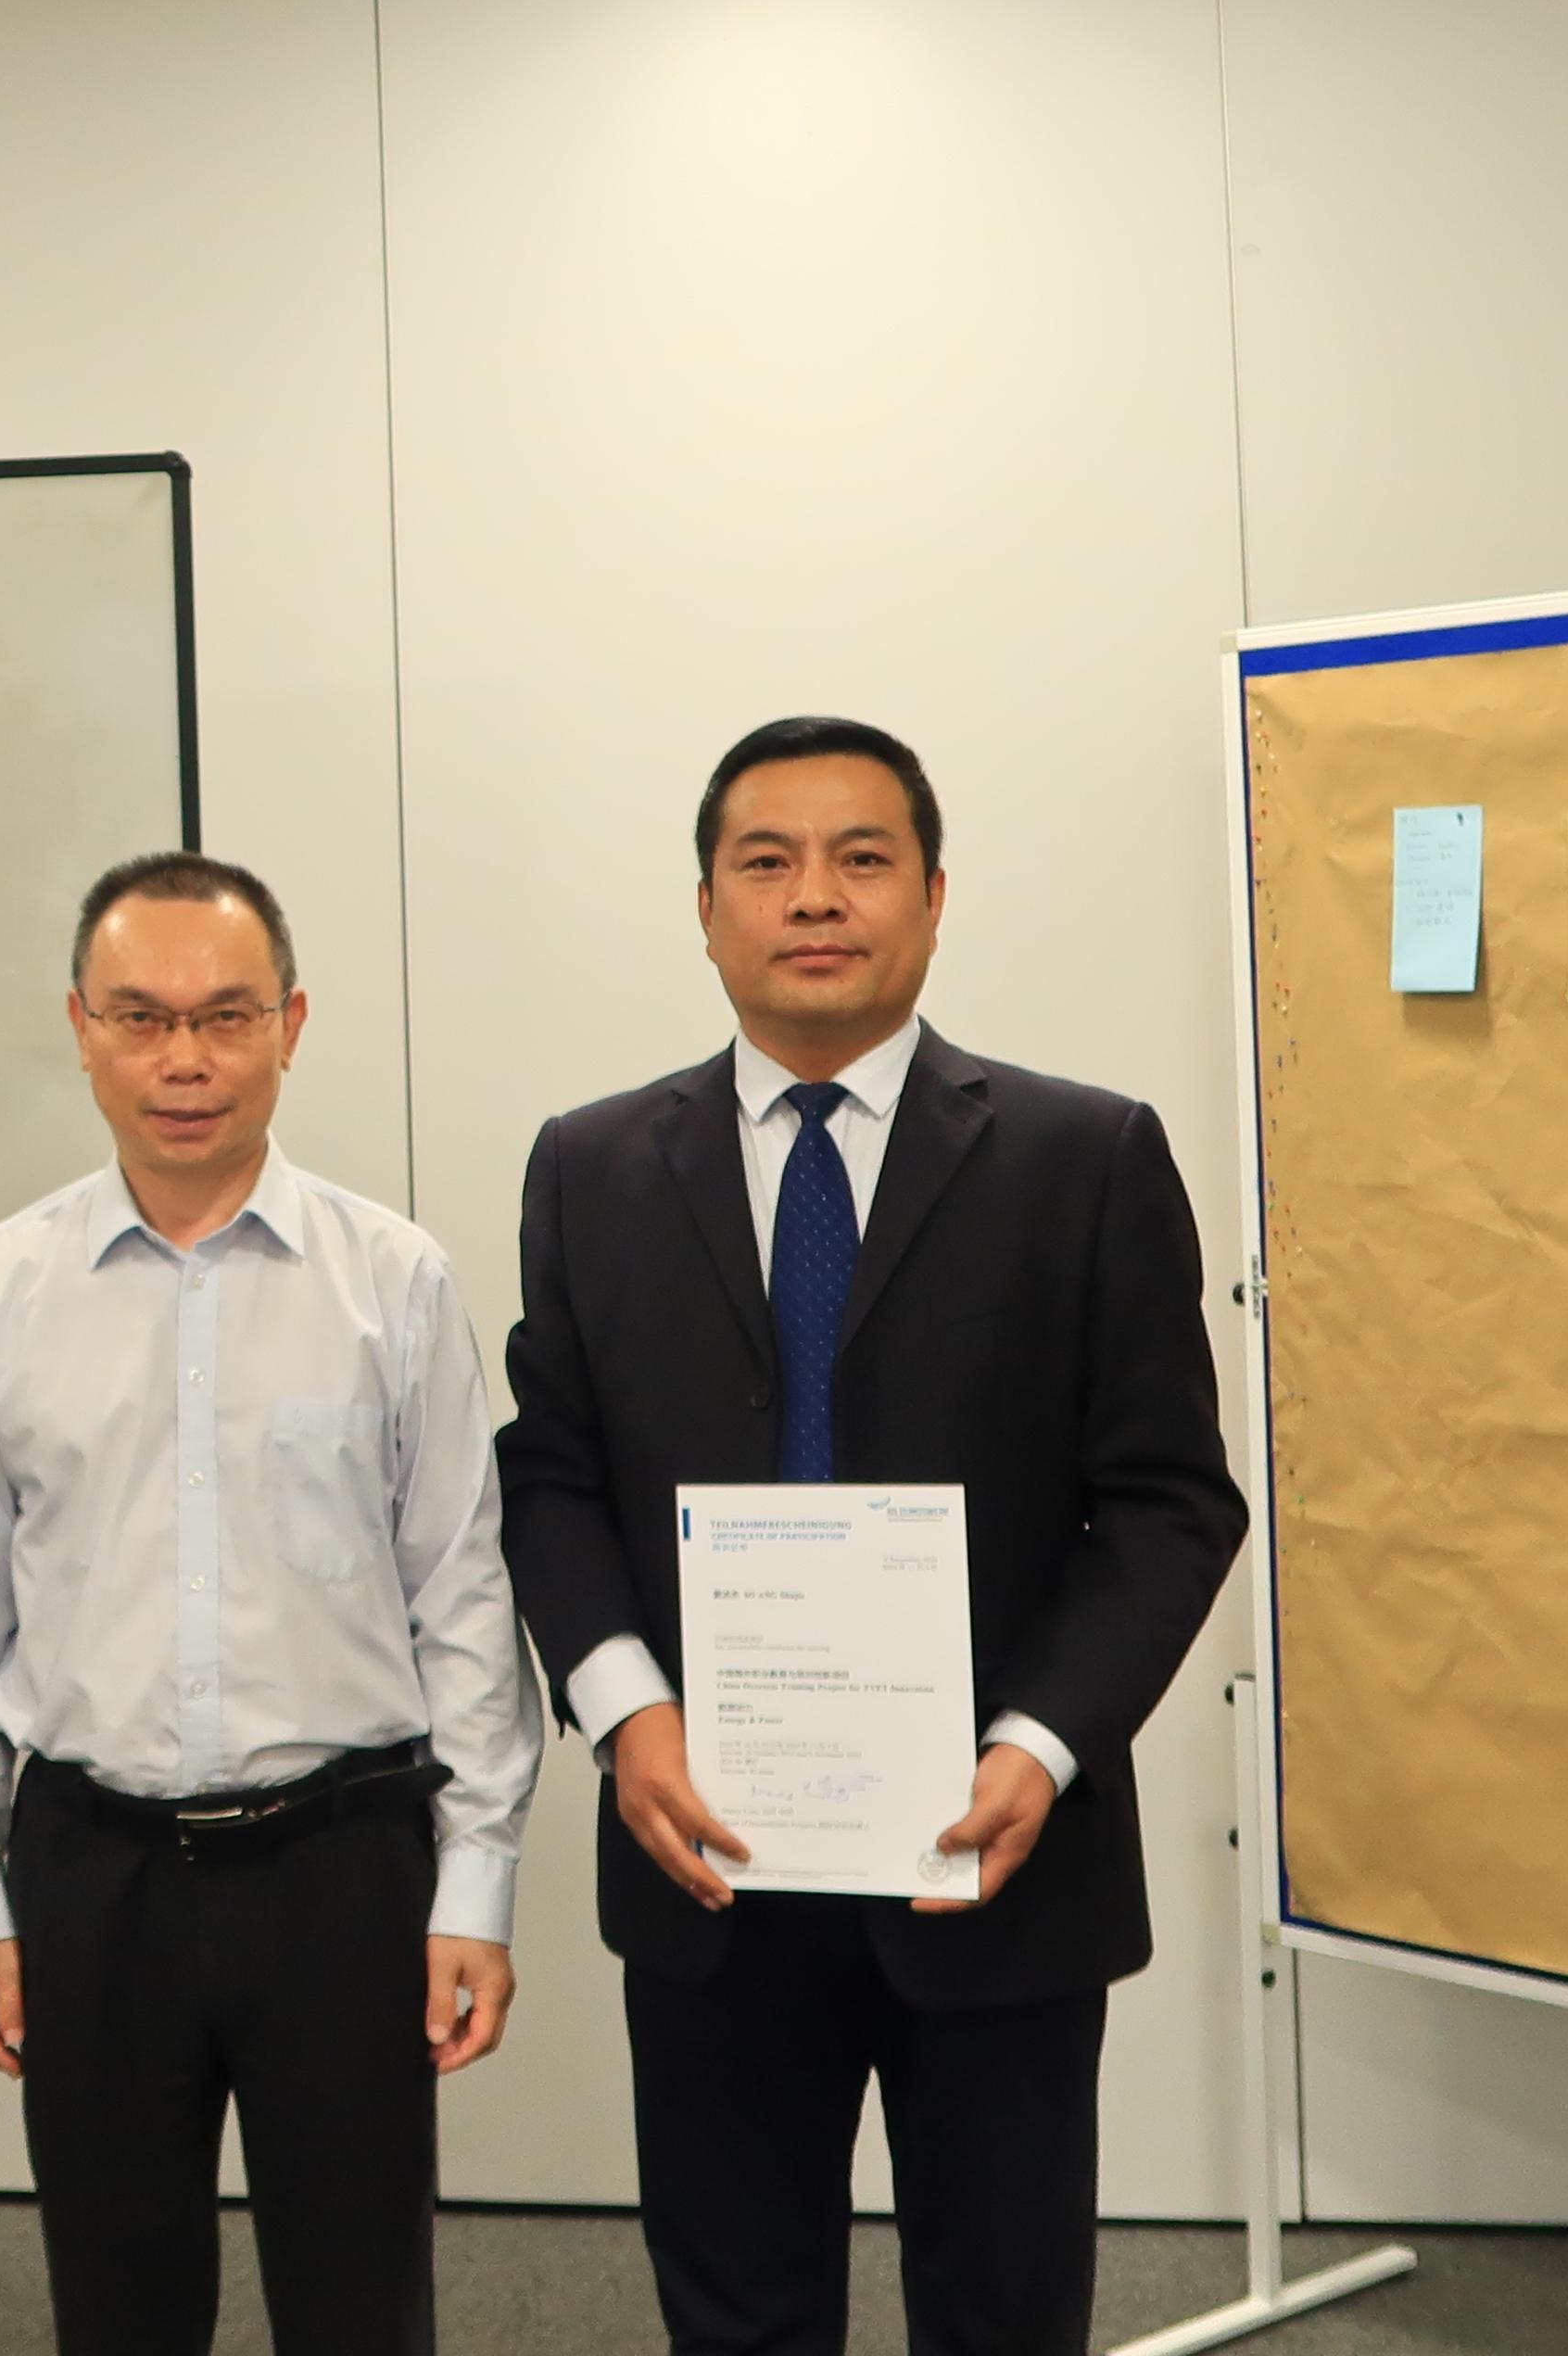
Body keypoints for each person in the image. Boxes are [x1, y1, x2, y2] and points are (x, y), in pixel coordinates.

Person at [495, 717, 1250, 2356]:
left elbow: (1170, 1499)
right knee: (737, 2311)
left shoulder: (1084, 1158)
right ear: (707, 910)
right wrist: (628, 1716)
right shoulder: (593, 1167)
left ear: (933, 897)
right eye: (767, 862)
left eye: (862, 859)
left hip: (991, 1856)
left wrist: (1041, 1746)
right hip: (708, 1849)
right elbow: (548, 1474)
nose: (815, 898)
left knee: (1004, 2309)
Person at [0, 852, 540, 2356]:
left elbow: (462, 1593)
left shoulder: (394, 1280)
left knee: (362, 2303)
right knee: (117, 2307)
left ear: (291, 1026)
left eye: (225, 1016)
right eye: (139, 1017)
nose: (182, 1060)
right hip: (91, 1872)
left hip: (341, 1867)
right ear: (80, 1028)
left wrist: (476, 1885)